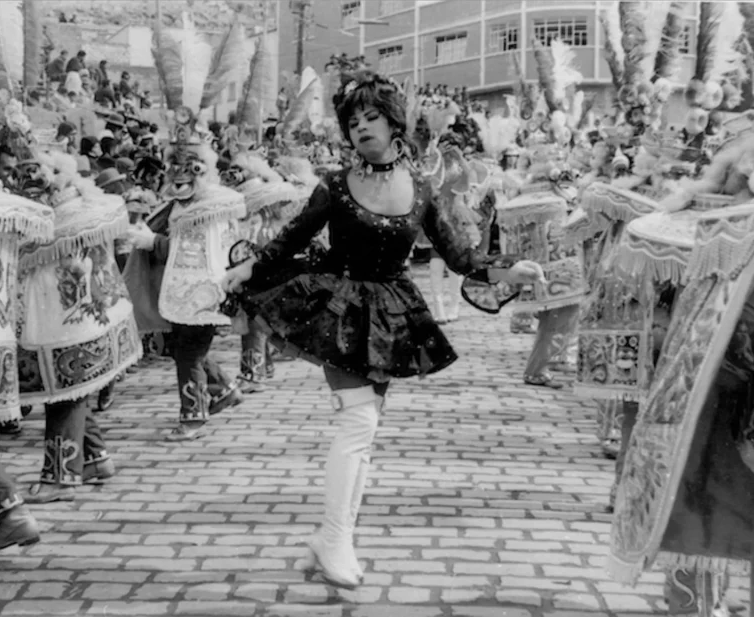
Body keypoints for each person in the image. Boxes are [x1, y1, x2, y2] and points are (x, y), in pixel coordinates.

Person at [221, 70, 544, 589]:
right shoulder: (334, 185)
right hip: (338, 306)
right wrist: (250, 266)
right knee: (359, 423)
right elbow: (292, 236)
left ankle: (335, 539)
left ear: (395, 124)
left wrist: (510, 270)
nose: (361, 128)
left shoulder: (422, 190)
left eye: (371, 117)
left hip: (390, 314)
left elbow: (460, 256)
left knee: (365, 431)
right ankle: (334, 537)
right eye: (353, 122)